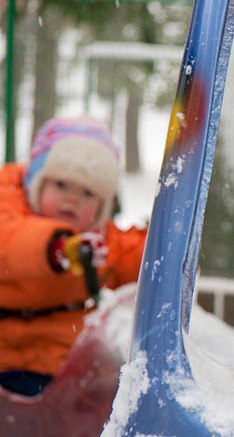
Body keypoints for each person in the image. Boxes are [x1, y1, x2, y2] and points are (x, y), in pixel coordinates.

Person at [0, 116, 147, 396]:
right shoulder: (8, 203)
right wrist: (58, 248)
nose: (72, 199)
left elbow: (132, 258)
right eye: (61, 185)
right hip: (7, 359)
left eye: (88, 192)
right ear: (38, 182)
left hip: (65, 368)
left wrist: (166, 255)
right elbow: (9, 243)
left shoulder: (101, 240)